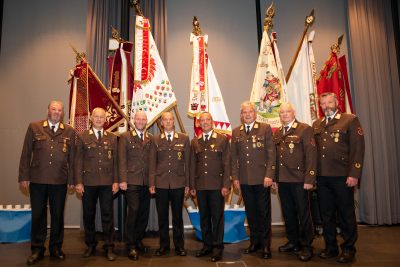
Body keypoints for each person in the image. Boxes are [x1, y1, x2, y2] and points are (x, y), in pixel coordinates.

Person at [18, 101, 75, 265]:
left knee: (57, 215)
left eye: (59, 110)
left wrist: (71, 179)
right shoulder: (34, 127)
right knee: (38, 215)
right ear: (48, 111)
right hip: (37, 179)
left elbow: (72, 157)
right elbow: (26, 152)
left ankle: (56, 248)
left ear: (62, 113)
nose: (56, 112)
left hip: (59, 179)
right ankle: (37, 249)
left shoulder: (69, 130)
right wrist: (24, 175)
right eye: (54, 109)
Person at [312, 92, 365, 263]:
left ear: (336, 102)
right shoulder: (316, 124)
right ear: (320, 106)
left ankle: (349, 249)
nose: (326, 106)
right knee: (326, 214)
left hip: (343, 176)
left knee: (346, 213)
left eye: (329, 102)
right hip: (322, 177)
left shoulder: (349, 120)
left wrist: (354, 174)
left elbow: (358, 149)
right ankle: (330, 247)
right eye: (323, 103)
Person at [231, 101, 276, 259]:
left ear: (255, 114)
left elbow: (271, 153)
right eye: (244, 112)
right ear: (241, 115)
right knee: (250, 212)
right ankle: (255, 242)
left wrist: (269, 174)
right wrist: (235, 177)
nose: (247, 114)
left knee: (263, 213)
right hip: (244, 179)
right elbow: (233, 158)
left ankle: (265, 245)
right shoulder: (236, 132)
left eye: (250, 112)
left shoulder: (264, 128)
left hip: (262, 178)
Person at [74, 108, 119, 261]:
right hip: (88, 182)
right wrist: (78, 182)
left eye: (102, 117)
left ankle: (108, 246)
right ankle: (91, 245)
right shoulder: (82, 136)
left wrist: (116, 181)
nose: (99, 119)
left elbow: (116, 161)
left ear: (105, 119)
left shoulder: (112, 137)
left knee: (107, 215)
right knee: (88, 215)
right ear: (91, 118)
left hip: (107, 182)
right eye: (96, 116)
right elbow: (78, 161)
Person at [273, 103, 316, 261]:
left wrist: (309, 178)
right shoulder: (278, 132)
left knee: (304, 214)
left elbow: (311, 155)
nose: (284, 114)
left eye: (287, 111)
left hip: (300, 180)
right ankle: (293, 241)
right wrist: (275, 178)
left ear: (294, 113)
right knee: (288, 213)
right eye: (282, 112)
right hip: (283, 180)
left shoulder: (304, 129)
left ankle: (307, 245)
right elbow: (276, 158)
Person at [190, 112, 230, 262]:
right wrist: (192, 186)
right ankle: (207, 246)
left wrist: (226, 184)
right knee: (204, 217)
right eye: (202, 120)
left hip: (217, 186)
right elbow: (193, 165)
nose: (205, 122)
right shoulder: (195, 141)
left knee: (217, 217)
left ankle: (217, 247)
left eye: (207, 120)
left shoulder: (222, 139)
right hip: (200, 185)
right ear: (199, 124)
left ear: (212, 122)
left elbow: (227, 163)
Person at [149, 112, 190, 256]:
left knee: (178, 216)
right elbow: (152, 163)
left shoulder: (184, 138)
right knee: (162, 216)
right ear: (161, 122)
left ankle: (179, 245)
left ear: (174, 122)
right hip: (160, 183)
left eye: (170, 119)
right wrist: (152, 183)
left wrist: (188, 184)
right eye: (165, 119)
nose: (167, 122)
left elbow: (188, 163)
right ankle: (164, 245)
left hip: (178, 182)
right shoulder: (155, 139)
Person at [118, 111, 153, 260]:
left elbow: (152, 161)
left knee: (144, 212)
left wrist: (153, 182)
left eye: (143, 119)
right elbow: (121, 159)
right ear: (134, 120)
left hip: (147, 182)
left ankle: (139, 240)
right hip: (131, 181)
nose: (140, 121)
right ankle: (130, 245)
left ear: (147, 121)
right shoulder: (125, 137)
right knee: (134, 211)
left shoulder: (151, 138)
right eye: (138, 119)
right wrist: (122, 179)